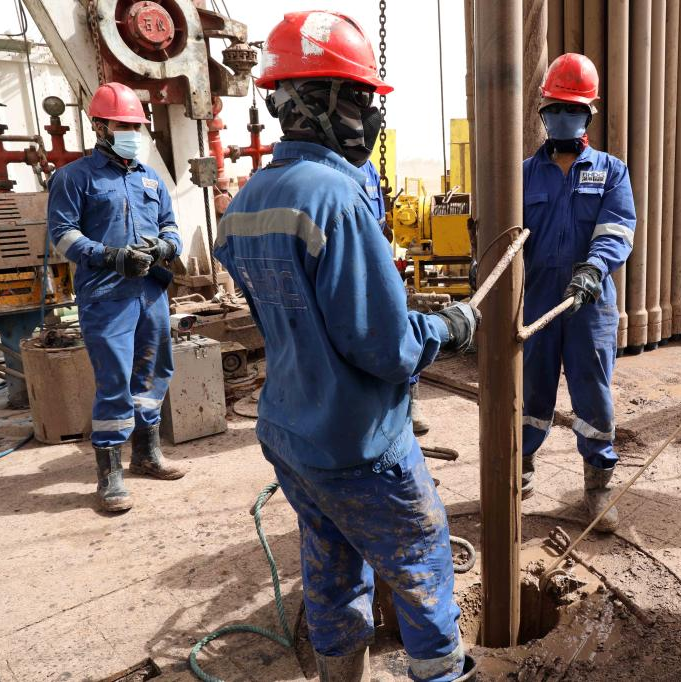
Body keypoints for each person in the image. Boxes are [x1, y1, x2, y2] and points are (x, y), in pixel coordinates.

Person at [215, 11, 476, 682]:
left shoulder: (246, 201)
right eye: (360, 98)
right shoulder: (335, 198)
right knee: (420, 561)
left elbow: (286, 317)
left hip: (289, 432)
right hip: (356, 443)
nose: (370, 114)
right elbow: (385, 348)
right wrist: (447, 328)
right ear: (316, 101)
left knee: (330, 562)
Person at [47, 82, 188, 513]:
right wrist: (110, 256)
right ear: (99, 126)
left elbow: (171, 227)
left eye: (135, 126)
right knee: (114, 381)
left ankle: (147, 454)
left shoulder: (150, 178)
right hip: (106, 296)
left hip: (150, 293)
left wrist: (164, 247)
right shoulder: (75, 178)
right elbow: (63, 235)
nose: (132, 132)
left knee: (154, 373)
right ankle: (109, 475)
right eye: (123, 125)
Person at [520, 53, 636, 533]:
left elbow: (618, 229)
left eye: (572, 109)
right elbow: (507, 237)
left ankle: (597, 485)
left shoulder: (611, 171)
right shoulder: (524, 173)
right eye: (555, 109)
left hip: (591, 301)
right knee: (531, 387)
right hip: (539, 298)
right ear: (543, 112)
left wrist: (594, 267)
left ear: (589, 113)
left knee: (593, 392)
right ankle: (521, 467)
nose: (563, 117)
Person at [362, 160, 430, 435]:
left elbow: (380, 225)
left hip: (376, 262)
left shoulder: (368, 169)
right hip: (345, 264)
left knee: (398, 323)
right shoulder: (323, 168)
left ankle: (411, 399)